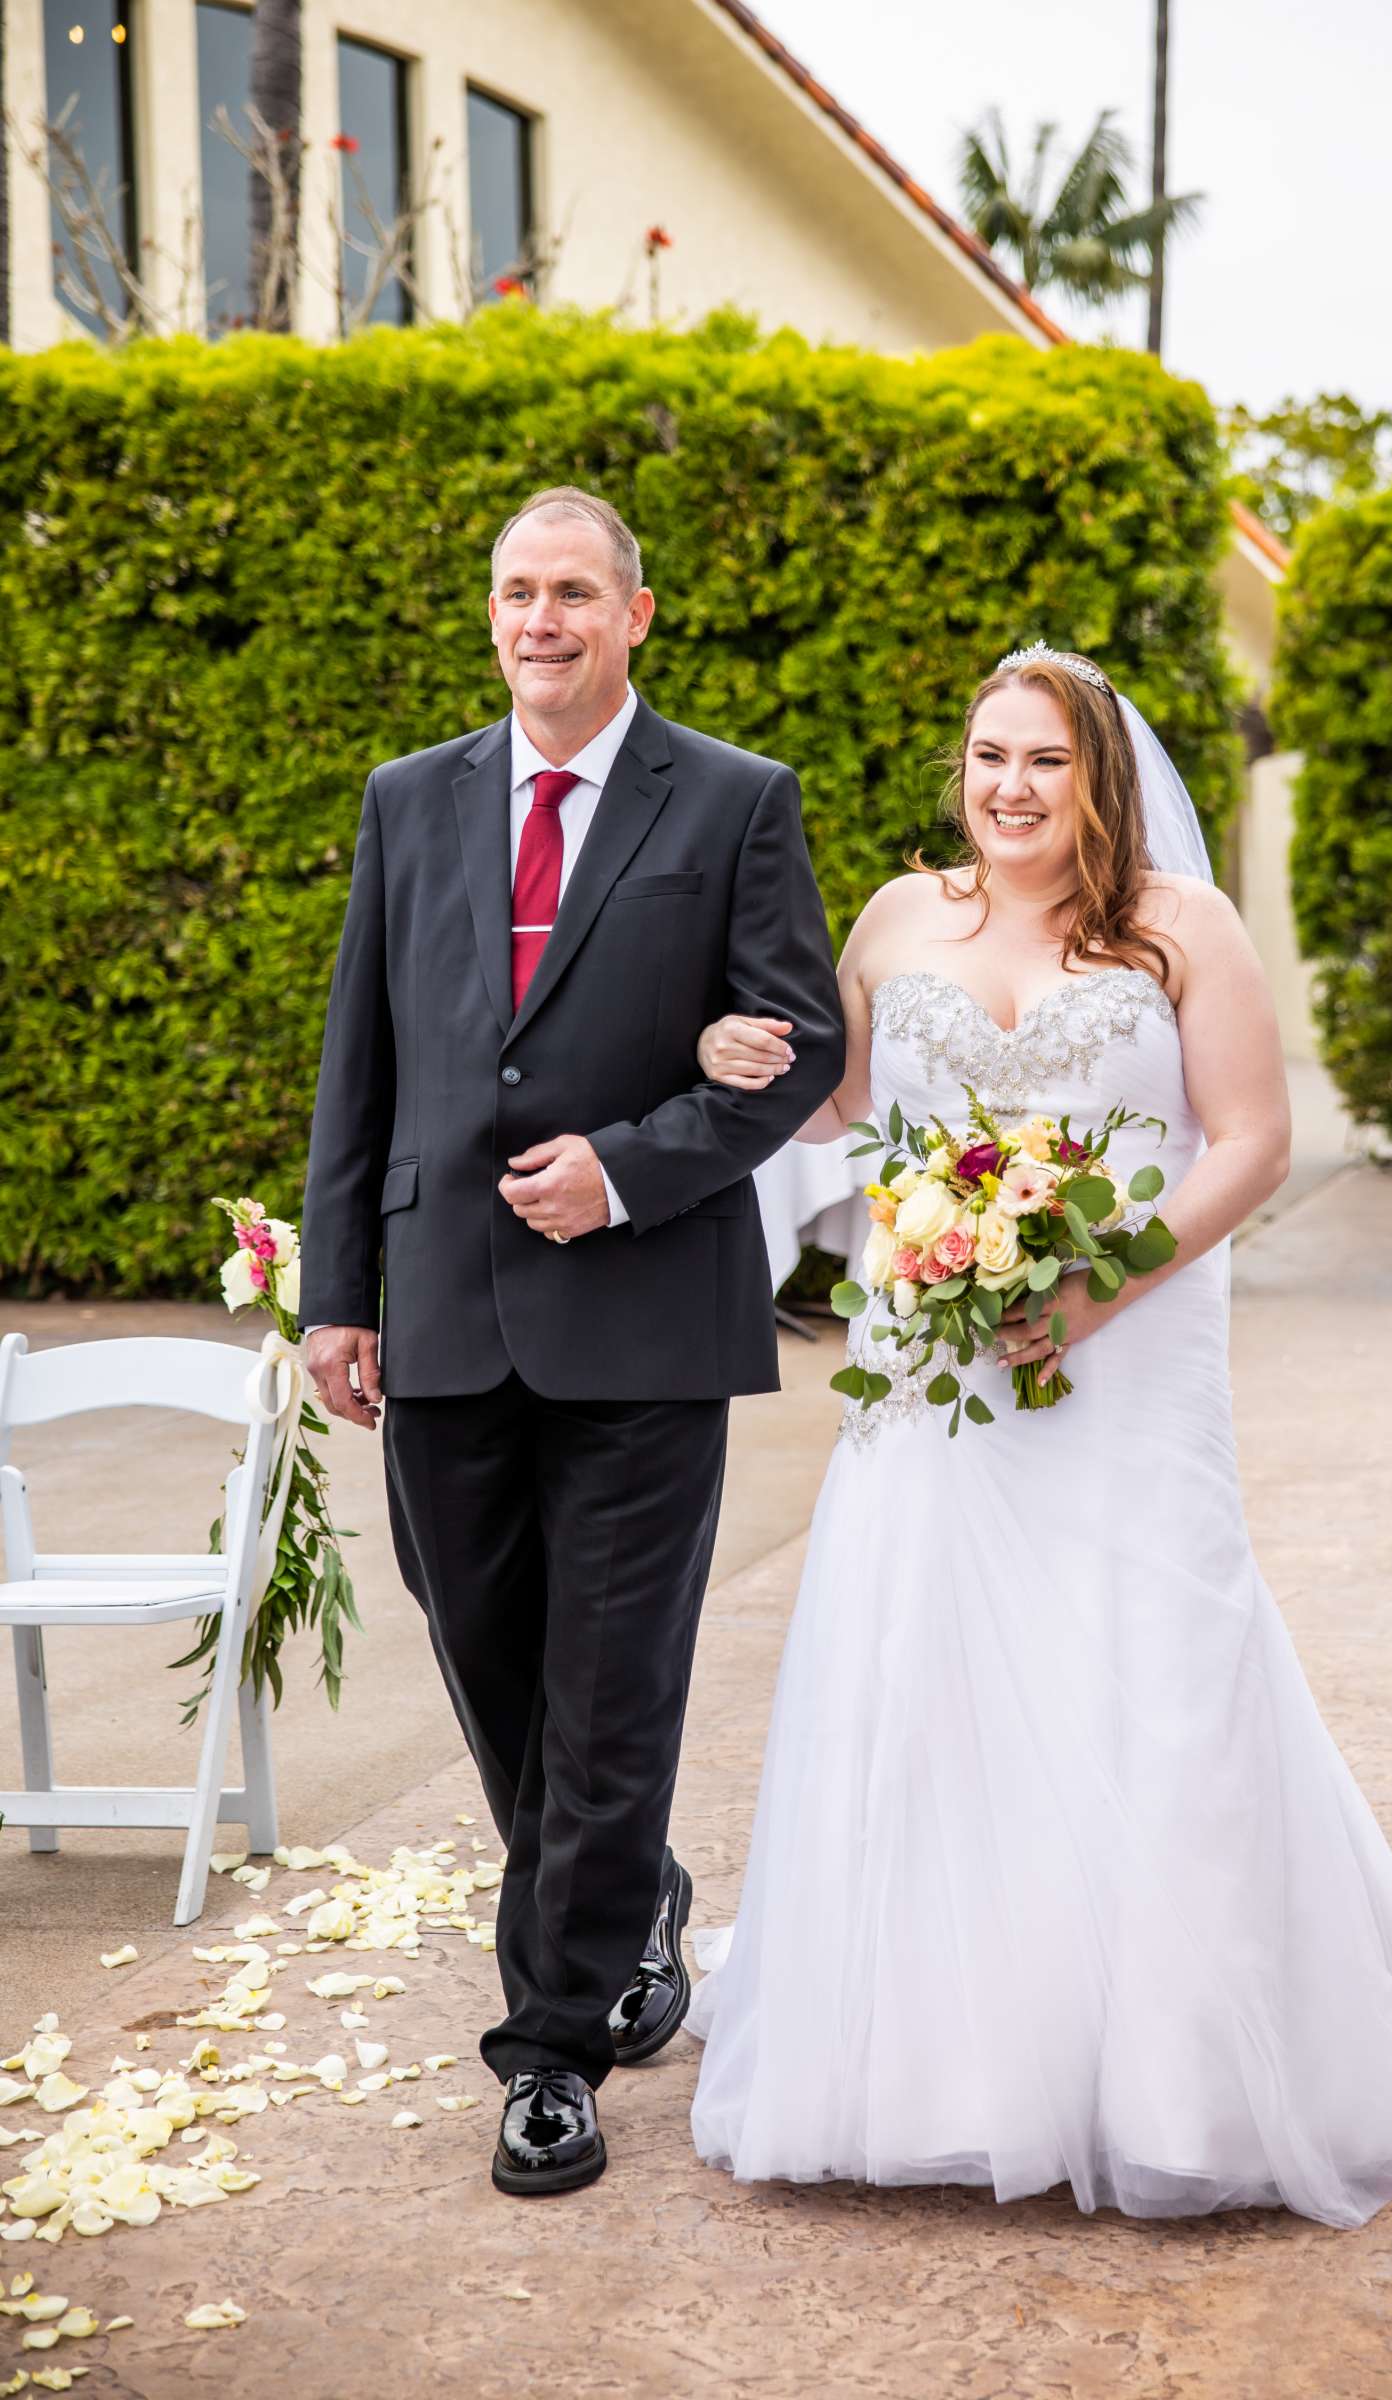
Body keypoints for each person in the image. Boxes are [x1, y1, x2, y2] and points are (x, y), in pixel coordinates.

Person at [684, 644, 1392, 2225]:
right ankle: (940, 2065)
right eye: (984, 755)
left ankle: (1177, 2075)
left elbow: (1255, 1139)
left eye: (1043, 761)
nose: (1007, 788)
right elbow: (840, 1114)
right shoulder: (897, 919)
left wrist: (1098, 1287)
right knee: (925, 1657)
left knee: (1149, 1654)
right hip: (932, 1368)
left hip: (1131, 1354)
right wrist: (747, 1060)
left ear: (1101, 775)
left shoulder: (1180, 929)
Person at [299, 487, 845, 2197]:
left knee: (614, 1692)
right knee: (493, 1663)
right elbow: (358, 1064)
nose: (540, 619)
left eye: (572, 594)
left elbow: (806, 1040)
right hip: (441, 1307)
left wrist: (629, 1170)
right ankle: (635, 1896)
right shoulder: (412, 800)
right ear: (494, 614)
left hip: (646, 1321)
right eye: (515, 593)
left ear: (636, 614)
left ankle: (553, 2046)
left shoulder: (738, 801)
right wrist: (338, 1292)